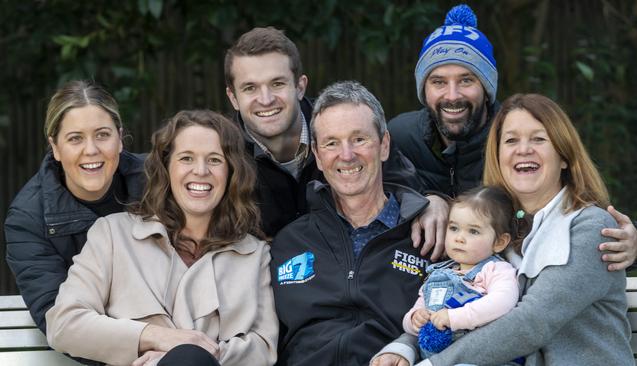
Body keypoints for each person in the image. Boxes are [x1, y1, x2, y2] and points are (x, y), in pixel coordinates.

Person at [372, 93, 634, 366]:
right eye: (511, 140)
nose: (523, 150)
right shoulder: (494, 228)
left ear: (564, 156)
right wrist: (404, 347)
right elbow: (449, 303)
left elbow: (532, 322)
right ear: (498, 156)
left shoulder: (589, 227)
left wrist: (434, 364)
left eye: (538, 139)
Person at [388, 4, 637, 269]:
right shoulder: (399, 135)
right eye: (439, 82)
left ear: (486, 87)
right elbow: (369, 189)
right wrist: (426, 199)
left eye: (466, 80)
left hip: (503, 288)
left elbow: (574, 206)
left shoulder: (514, 140)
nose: (453, 95)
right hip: (419, 287)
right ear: (424, 89)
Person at [45, 110, 278, 366]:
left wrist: (194, 355)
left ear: (232, 172)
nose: (200, 171)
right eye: (186, 158)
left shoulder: (254, 255)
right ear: (166, 167)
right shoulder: (113, 235)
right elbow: (63, 324)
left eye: (214, 160)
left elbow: (263, 348)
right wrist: (157, 337)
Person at [224, 27, 448, 251]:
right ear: (233, 98)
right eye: (250, 88)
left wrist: (433, 201)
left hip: (347, 269)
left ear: (300, 87)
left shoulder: (340, 126)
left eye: (277, 84)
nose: (266, 99)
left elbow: (404, 183)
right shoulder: (222, 153)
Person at [270, 81, 432, 366]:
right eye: (332, 143)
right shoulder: (288, 243)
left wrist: (408, 348)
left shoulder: (427, 238)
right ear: (318, 157)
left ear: (384, 146)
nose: (346, 155)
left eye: (359, 139)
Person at [4, 80, 145, 334]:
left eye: (102, 135)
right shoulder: (28, 219)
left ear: (120, 138)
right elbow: (59, 318)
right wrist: (145, 343)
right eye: (75, 139)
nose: (91, 150)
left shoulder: (159, 183)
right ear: (55, 147)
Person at [403, 186, 518, 359]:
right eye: (454, 228)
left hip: (481, 358)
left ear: (499, 242)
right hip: (434, 359)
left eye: (473, 231)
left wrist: (454, 317)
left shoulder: (495, 269)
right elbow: (417, 309)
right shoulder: (437, 274)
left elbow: (502, 302)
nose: (459, 238)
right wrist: (414, 319)